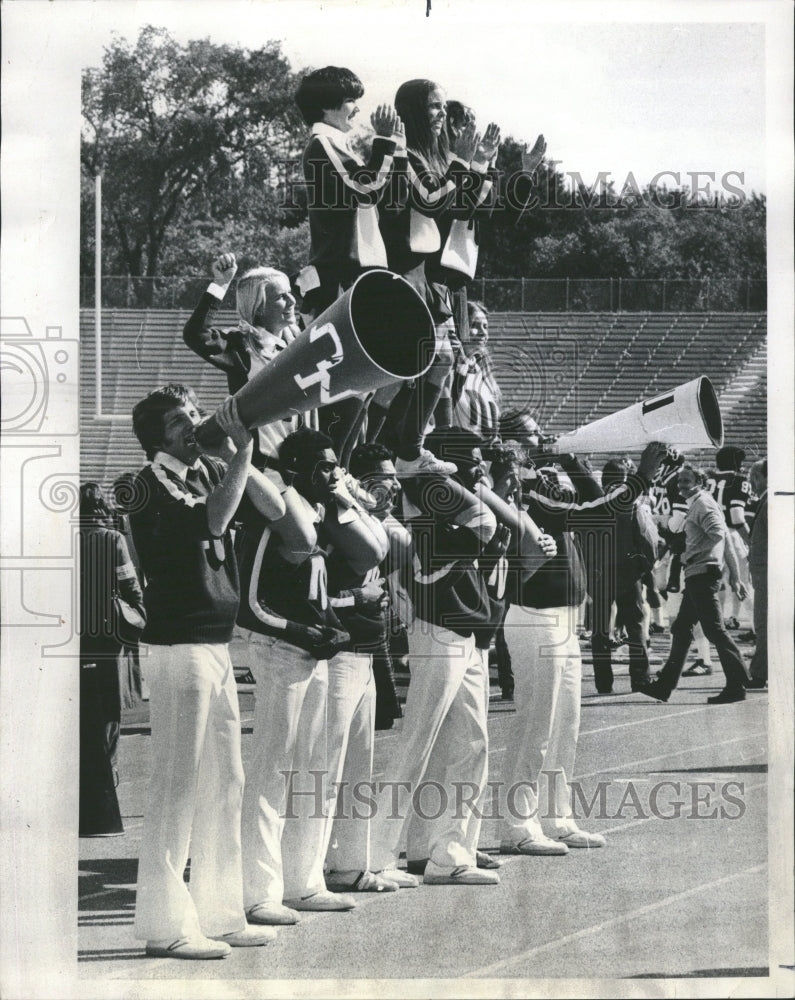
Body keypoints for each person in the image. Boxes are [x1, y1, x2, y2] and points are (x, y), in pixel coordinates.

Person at [129, 384, 285, 959]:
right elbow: (215, 524)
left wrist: (243, 444)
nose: (194, 424)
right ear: (156, 438)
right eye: (180, 422)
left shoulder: (204, 470)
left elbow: (273, 508)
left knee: (227, 781)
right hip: (178, 647)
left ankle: (220, 912)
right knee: (177, 783)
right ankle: (166, 925)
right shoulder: (147, 485)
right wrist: (240, 453)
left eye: (196, 413)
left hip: (215, 644)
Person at [498, 447, 662, 855]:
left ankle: (557, 817)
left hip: (563, 621)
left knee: (564, 726)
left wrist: (573, 461)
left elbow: (594, 498)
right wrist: (641, 475)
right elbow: (597, 510)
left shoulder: (546, 487)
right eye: (535, 439)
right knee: (536, 727)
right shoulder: (531, 493)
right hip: (537, 619)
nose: (547, 445)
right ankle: (518, 824)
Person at [367, 429, 502, 886]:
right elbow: (487, 527)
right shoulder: (423, 508)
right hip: (437, 631)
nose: (479, 469)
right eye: (471, 462)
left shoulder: (437, 506)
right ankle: (376, 853)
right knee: (419, 743)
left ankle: (442, 851)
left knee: (469, 744)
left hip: (462, 632)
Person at [372, 78, 499, 477]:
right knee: (398, 373)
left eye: (444, 106)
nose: (442, 114)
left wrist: (479, 162)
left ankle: (410, 449)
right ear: (411, 111)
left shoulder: (439, 156)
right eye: (433, 106)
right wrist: (464, 164)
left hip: (431, 277)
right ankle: (370, 447)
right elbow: (429, 199)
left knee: (441, 360)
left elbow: (461, 206)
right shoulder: (405, 154)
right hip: (403, 271)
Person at [294, 66, 406, 463]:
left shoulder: (337, 144)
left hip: (355, 271)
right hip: (338, 273)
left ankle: (349, 463)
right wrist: (384, 143)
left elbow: (376, 191)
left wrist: (392, 148)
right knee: (346, 377)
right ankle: (336, 466)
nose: (356, 108)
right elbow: (365, 188)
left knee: (365, 378)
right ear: (327, 106)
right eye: (349, 101)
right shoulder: (322, 144)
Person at [638, 464, 750, 705]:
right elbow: (726, 538)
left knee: (714, 630)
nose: (681, 486)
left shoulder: (702, 504)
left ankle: (738, 683)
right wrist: (734, 575)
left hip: (702, 574)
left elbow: (719, 535)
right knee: (681, 629)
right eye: (680, 482)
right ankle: (664, 687)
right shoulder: (701, 503)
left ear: (700, 482)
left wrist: (695, 555)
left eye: (686, 481)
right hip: (699, 574)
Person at [79, 482, 145, 837]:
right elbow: (130, 585)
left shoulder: (65, 540)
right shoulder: (112, 540)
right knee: (110, 715)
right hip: (109, 636)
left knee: (84, 715)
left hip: (76, 637)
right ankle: (110, 786)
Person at [584, 448, 666, 694]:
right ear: (624, 479)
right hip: (628, 572)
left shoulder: (591, 502)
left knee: (599, 628)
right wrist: (647, 571)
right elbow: (646, 539)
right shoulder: (630, 503)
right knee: (636, 625)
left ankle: (603, 681)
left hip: (598, 571)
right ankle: (640, 678)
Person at [705, 445, 753, 630]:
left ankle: (718, 625)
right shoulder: (740, 480)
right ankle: (758, 632)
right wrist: (751, 542)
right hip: (731, 535)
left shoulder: (708, 480)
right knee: (741, 584)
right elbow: (737, 517)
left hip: (709, 536)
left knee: (714, 584)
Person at [451, 300, 503, 442]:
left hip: (485, 459)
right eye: (474, 325)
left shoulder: (484, 374)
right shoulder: (448, 371)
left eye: (485, 326)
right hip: (458, 456)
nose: (483, 332)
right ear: (459, 328)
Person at [745, 459, 767, 688]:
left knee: (764, 623)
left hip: (769, 576)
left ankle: (760, 673)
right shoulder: (766, 501)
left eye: (756, 477)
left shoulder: (770, 501)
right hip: (765, 574)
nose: (751, 482)